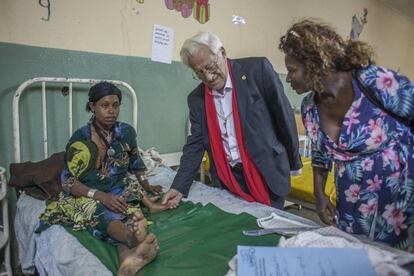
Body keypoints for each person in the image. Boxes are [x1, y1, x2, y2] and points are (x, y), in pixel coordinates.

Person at [279, 18, 414, 249]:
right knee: (357, 255)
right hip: (351, 199)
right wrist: (319, 194)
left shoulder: (372, 82)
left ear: (315, 63)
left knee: (397, 260)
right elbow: (320, 153)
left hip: (399, 194)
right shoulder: (309, 107)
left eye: (292, 70)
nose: (288, 78)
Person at [162, 32, 302, 210]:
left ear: (222, 52)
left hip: (266, 173)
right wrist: (178, 187)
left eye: (210, 67)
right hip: (228, 179)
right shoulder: (197, 99)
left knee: (268, 232)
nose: (209, 77)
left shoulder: (257, 70)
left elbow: (284, 117)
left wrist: (294, 162)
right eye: (200, 73)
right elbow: (195, 145)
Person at [37, 82, 166, 275]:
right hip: (89, 193)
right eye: (105, 105)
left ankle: (127, 260)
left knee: (126, 209)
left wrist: (146, 185)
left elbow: (135, 162)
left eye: (115, 105)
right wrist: (100, 196)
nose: (111, 111)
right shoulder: (81, 139)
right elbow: (68, 181)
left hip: (119, 189)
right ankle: (132, 239)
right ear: (92, 106)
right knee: (98, 211)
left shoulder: (126, 132)